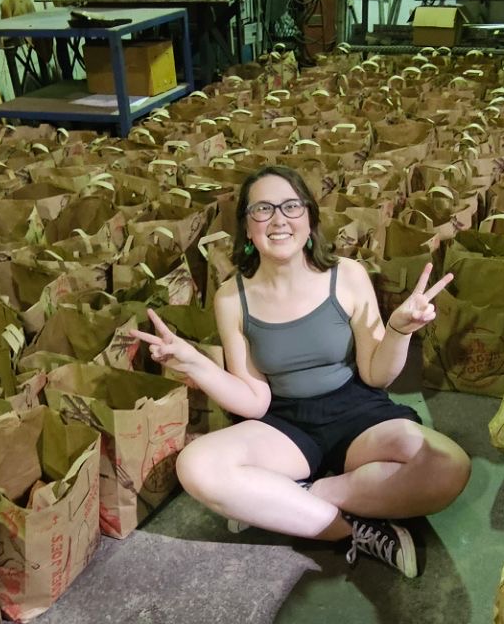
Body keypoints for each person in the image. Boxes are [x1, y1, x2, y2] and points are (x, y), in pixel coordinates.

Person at [128, 166, 471, 578]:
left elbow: (377, 375)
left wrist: (398, 330)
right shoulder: (232, 298)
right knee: (196, 466)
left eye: (291, 206)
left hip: (359, 413)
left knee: (448, 465)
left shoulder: (347, 276)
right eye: (263, 209)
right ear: (247, 228)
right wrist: (196, 364)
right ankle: (350, 528)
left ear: (309, 218)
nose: (278, 219)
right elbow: (255, 401)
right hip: (287, 424)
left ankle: (297, 498)